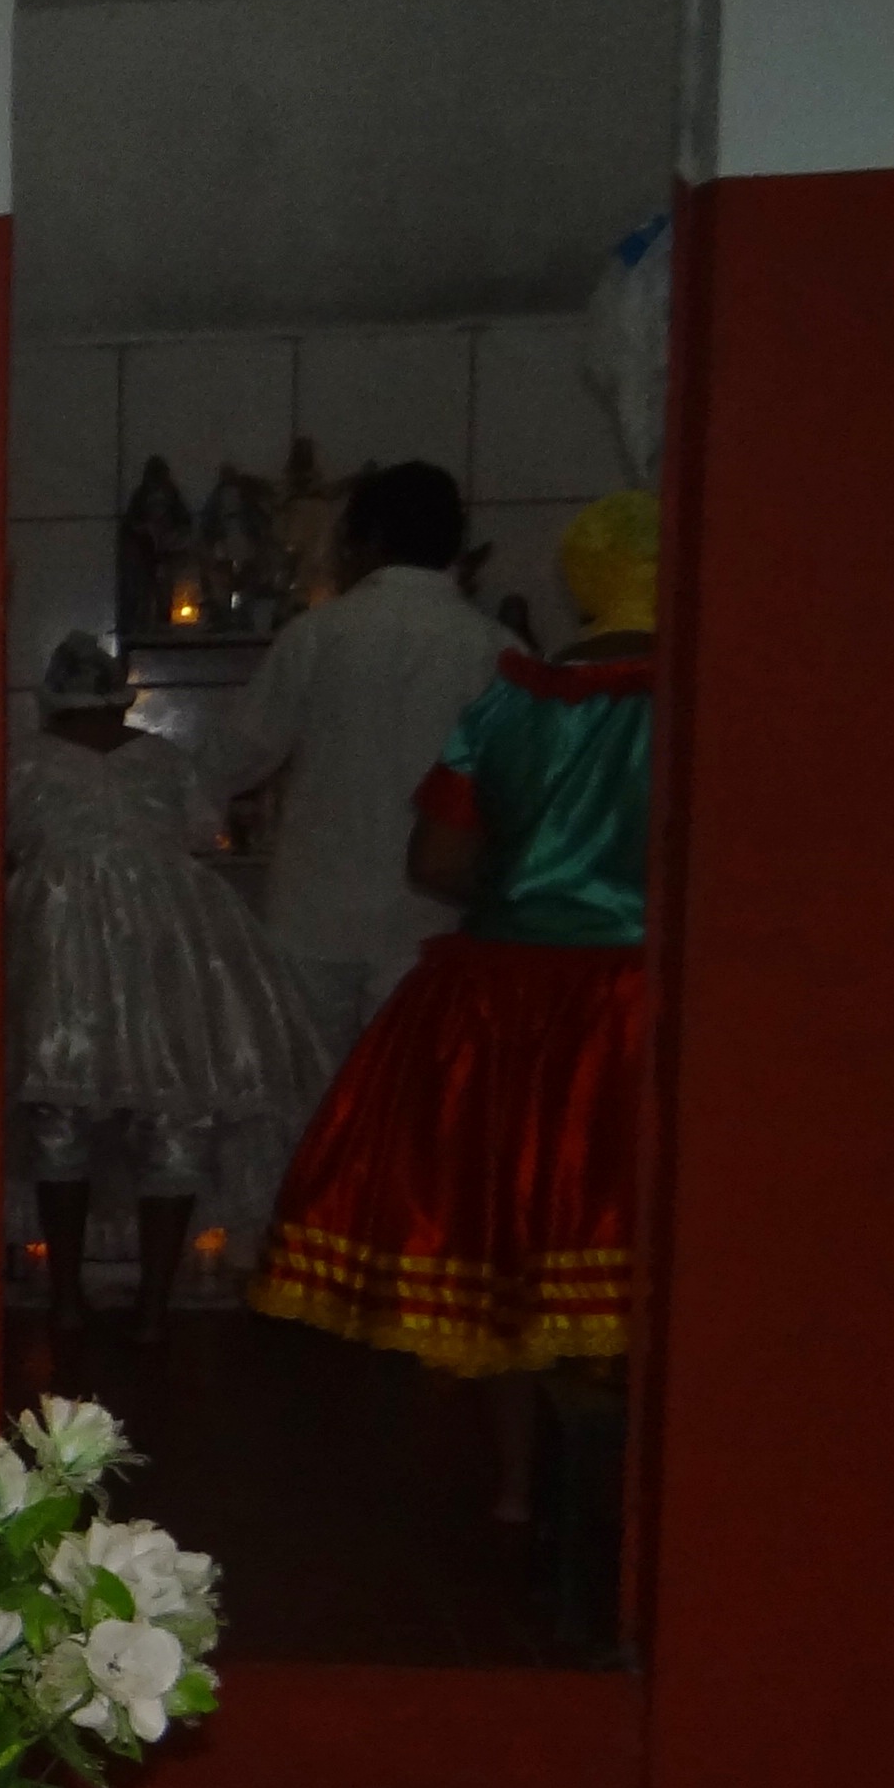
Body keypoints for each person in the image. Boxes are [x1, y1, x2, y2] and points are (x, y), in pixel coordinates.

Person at [250, 493, 665, 1520]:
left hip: (506, 999)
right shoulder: (702, 700)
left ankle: (518, 1491)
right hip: (647, 1003)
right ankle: (652, 1494)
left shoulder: (517, 700)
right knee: (646, 1241)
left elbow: (437, 859)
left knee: (505, 1244)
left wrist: (530, 885)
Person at [7, 633, 327, 1366]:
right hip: (169, 941)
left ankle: (65, 1298)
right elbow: (202, 832)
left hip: (56, 939)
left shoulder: (23, 759)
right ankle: (152, 1308)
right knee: (175, 1113)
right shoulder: (162, 758)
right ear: (119, 697)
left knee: (58, 1117)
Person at [200, 460, 517, 1071]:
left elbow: (236, 753)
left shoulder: (318, 635)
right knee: (409, 1096)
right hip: (432, 920)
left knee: (308, 1098)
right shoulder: (496, 649)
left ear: (364, 541)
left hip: (312, 913)